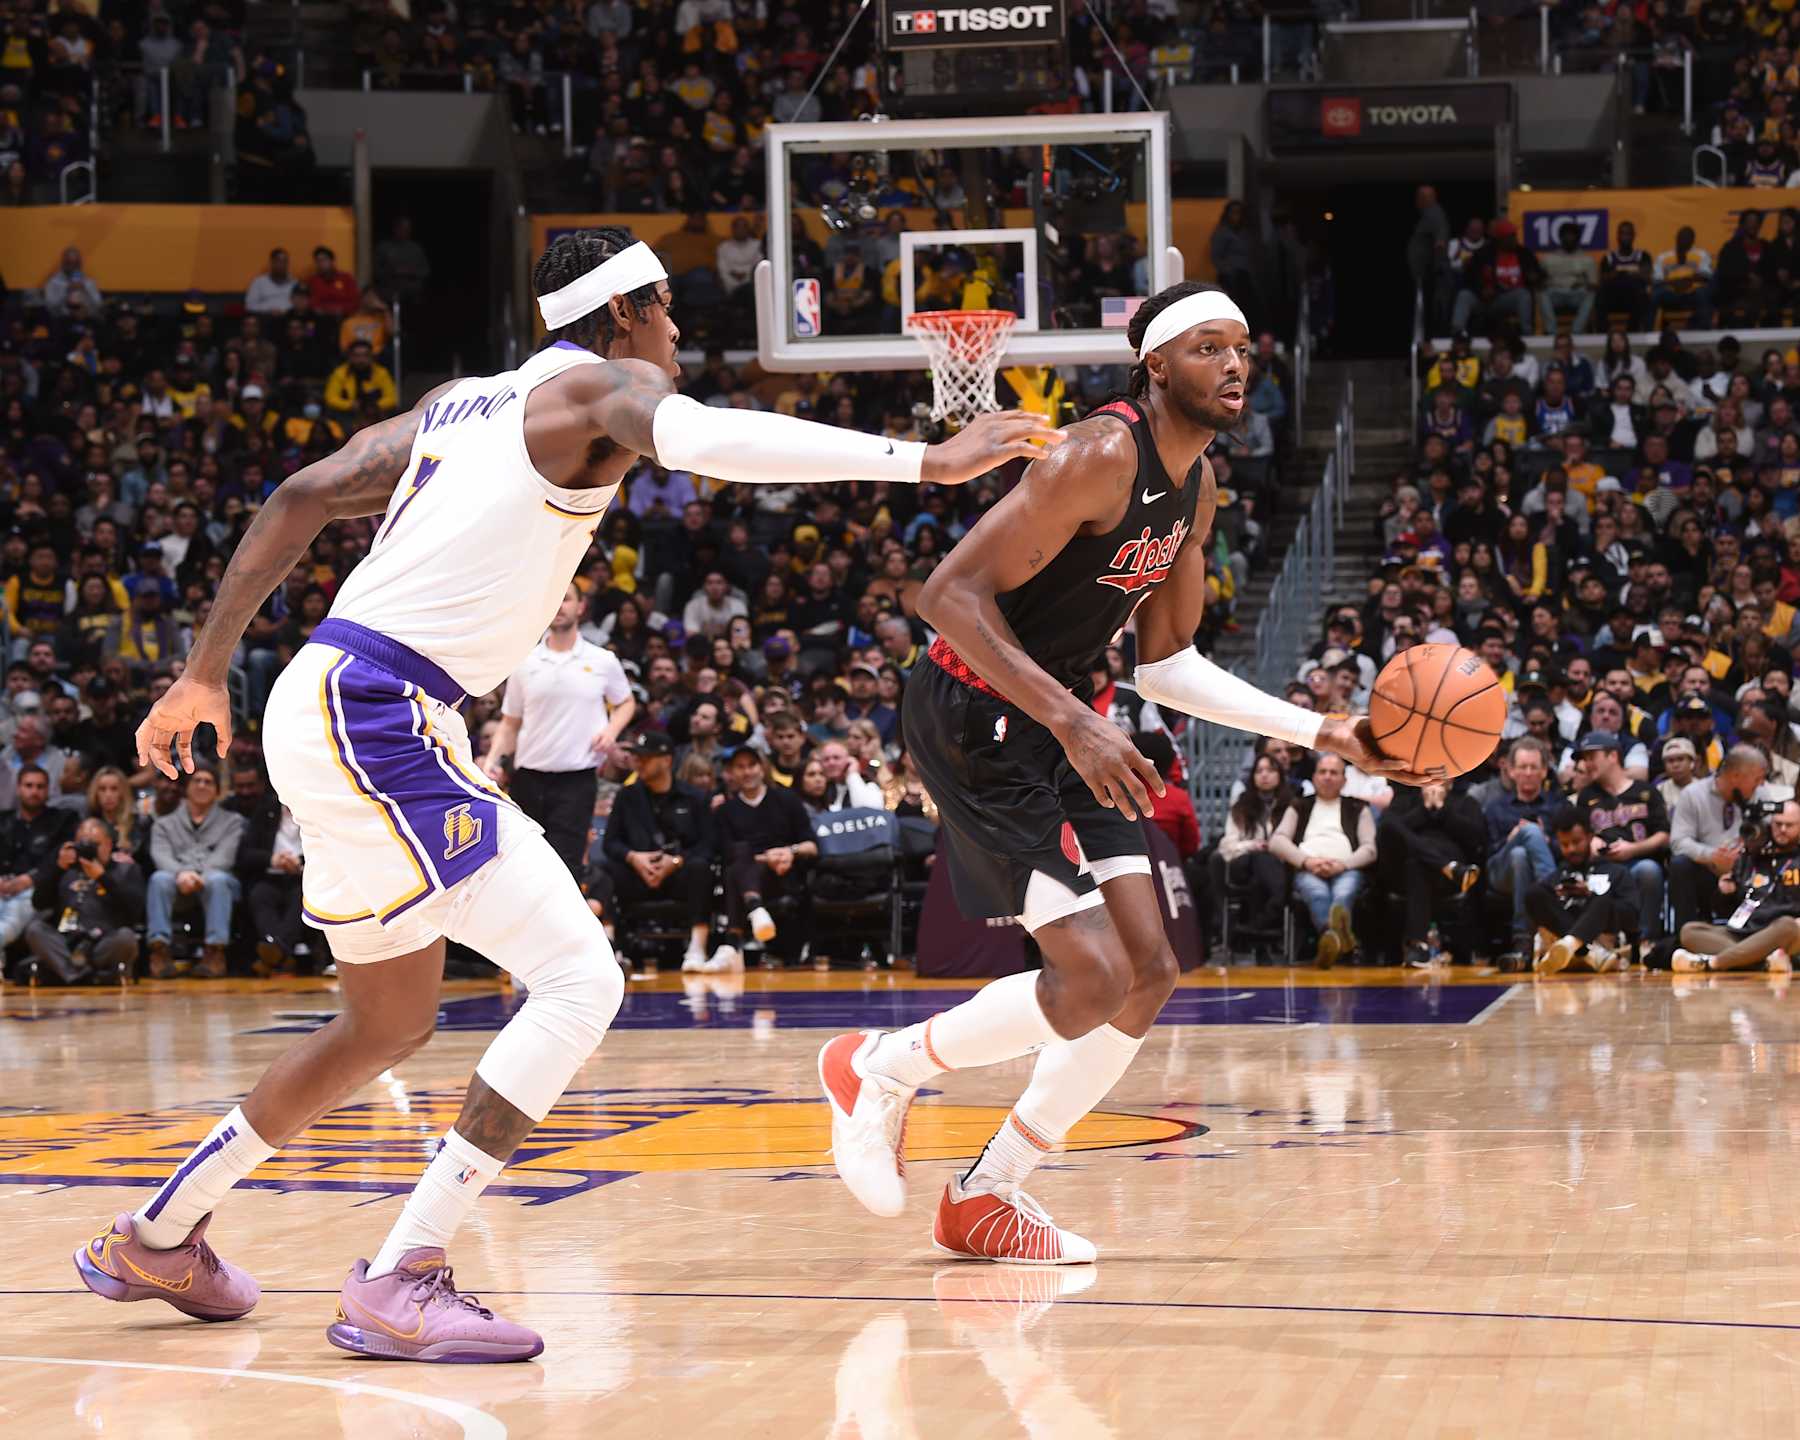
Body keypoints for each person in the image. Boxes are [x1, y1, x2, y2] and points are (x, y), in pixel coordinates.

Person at [85, 225, 1053, 1359]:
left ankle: (157, 1234)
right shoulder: (601, 390)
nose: (681, 332)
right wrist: (926, 462)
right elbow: (706, 439)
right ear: (625, 315)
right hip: (380, 709)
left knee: (383, 1022)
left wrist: (205, 670)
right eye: (669, 311)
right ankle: (406, 1271)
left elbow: (301, 494)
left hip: (330, 696)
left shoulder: (465, 401)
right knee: (580, 979)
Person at [815, 282, 1423, 1264]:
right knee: (1091, 973)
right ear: (1156, 366)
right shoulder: (1100, 453)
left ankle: (986, 1193)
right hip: (972, 711)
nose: (1234, 366)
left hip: (1059, 719)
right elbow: (946, 596)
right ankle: (876, 1065)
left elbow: (1167, 664)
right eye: (1208, 349)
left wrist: (1324, 731)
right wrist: (1073, 723)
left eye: (1243, 350)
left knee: (1148, 973)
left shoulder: (1197, 484)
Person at [483, 584, 636, 876]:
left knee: (566, 867)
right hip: (527, 778)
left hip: (576, 780)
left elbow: (626, 702)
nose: (560, 606)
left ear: (580, 607)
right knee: (522, 864)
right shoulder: (524, 662)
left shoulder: (602, 660)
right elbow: (510, 722)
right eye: (554, 598)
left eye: (566, 599)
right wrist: (492, 759)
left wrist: (612, 731)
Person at [599, 731, 715, 971]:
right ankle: (610, 948)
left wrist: (677, 861)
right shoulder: (626, 796)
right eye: (637, 757)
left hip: (679, 876)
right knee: (606, 870)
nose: (639, 762)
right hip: (637, 874)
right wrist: (633, 858)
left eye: (646, 757)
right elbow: (610, 843)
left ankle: (697, 946)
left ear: (667, 760)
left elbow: (708, 845)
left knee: (701, 868)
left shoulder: (694, 798)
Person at [1268, 751, 1376, 966]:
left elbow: (1370, 849)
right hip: (1309, 868)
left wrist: (1343, 864)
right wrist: (1306, 861)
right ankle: (1339, 939)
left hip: (1347, 868)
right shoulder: (1299, 805)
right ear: (1314, 777)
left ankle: (1329, 940)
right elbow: (1277, 841)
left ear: (1344, 780)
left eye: (1334, 773)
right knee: (1316, 893)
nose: (1327, 777)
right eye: (1322, 772)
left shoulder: (1358, 807)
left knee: (1342, 893)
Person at [1671, 798, 1800, 971]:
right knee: (1689, 930)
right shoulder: (1750, 857)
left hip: (1777, 933)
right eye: (1778, 824)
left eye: (1789, 825)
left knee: (1788, 925)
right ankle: (1762, 963)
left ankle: (1711, 963)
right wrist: (1725, 893)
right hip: (1742, 932)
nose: (1782, 830)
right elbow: (1724, 911)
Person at [714, 743, 816, 960]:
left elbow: (812, 846)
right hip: (748, 873)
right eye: (740, 767)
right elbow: (725, 852)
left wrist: (789, 852)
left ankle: (733, 943)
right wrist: (765, 858)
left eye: (752, 765)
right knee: (738, 857)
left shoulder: (787, 799)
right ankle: (755, 908)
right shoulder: (725, 811)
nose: (747, 771)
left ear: (762, 768)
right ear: (731, 773)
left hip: (784, 874)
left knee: (736, 871)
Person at [145, 763, 244, 979]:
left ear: (217, 791)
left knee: (218, 880)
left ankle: (214, 952)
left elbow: (225, 857)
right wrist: (181, 874)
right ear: (186, 788)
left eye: (208, 782)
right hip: (177, 881)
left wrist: (199, 876)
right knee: (159, 879)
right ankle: (160, 950)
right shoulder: (163, 824)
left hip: (217, 882)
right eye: (196, 781)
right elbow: (161, 856)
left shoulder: (233, 822)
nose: (202, 786)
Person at [1572, 730, 1668, 945]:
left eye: (1591, 757)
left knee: (1649, 870)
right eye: (1584, 759)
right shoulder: (1587, 796)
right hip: (1603, 866)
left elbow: (1663, 835)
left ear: (1612, 756)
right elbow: (1579, 836)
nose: (1586, 764)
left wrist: (1633, 849)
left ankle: (1646, 942)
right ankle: (1602, 944)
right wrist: (1590, 842)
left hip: (1637, 861)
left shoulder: (1646, 792)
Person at [23, 817, 143, 985]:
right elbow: (38, 902)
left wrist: (102, 878)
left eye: (94, 845)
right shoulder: (65, 869)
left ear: (108, 844)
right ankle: (86, 977)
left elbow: (134, 911)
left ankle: (67, 974)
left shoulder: (125, 870)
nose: (88, 850)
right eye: (82, 844)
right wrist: (57, 869)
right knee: (35, 929)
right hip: (66, 944)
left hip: (103, 944)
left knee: (126, 938)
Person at [1377, 779, 1484, 967]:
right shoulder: (1405, 800)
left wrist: (1443, 810)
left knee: (1417, 864)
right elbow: (1389, 835)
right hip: (1409, 876)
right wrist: (1424, 810)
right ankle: (1447, 866)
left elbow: (1476, 839)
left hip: (1449, 881)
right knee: (1390, 827)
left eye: (1443, 773)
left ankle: (1418, 946)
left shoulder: (1467, 802)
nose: (1437, 779)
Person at [1525, 807, 1638, 975]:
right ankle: (1588, 953)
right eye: (1564, 844)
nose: (1571, 849)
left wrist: (1590, 894)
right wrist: (1558, 898)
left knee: (1602, 897)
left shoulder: (1617, 872)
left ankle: (1575, 946)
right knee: (1534, 893)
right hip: (1567, 940)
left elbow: (1632, 916)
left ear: (1590, 837)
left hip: (1602, 937)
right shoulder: (1555, 877)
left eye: (1577, 842)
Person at [1670, 744, 1772, 926]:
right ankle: (1683, 937)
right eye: (1756, 779)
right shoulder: (1693, 794)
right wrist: (1713, 856)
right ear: (1735, 776)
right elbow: (1678, 842)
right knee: (1680, 864)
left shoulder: (1761, 795)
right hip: (1708, 871)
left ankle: (1759, 933)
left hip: (1748, 874)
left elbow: (1773, 837)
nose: (1760, 784)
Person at [1482, 737, 1561, 961]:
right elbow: (1487, 852)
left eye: (1533, 767)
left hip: (1527, 868)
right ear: (1511, 771)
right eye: (1522, 767)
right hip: (1500, 872)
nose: (1528, 772)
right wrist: (1511, 838)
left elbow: (1566, 852)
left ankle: (1522, 939)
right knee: (1526, 837)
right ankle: (1554, 908)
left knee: (1520, 856)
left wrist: (1545, 840)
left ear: (1544, 771)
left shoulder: (1556, 806)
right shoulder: (1495, 807)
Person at [226, 761, 307, 976]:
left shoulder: (315, 814)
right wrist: (273, 859)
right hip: (270, 875)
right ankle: (280, 953)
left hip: (304, 877)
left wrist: (299, 861)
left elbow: (328, 848)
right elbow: (245, 854)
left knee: (301, 896)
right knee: (260, 894)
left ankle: (274, 951)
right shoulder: (266, 810)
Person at [0, 764, 76, 956]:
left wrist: (29, 879)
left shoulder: (63, 820)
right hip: (3, 886)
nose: (34, 791)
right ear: (18, 788)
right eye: (29, 785)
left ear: (48, 790)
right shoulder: (4, 821)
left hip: (36, 890)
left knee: (11, 919)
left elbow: (61, 858)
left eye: (40, 787)